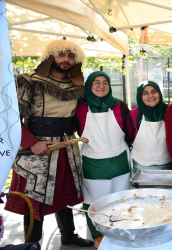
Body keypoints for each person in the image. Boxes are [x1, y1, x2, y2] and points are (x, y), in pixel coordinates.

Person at [5, 39, 93, 247]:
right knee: (35, 195)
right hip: (36, 149)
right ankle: (31, 242)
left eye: (71, 56)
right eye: (61, 54)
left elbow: (78, 117)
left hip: (66, 147)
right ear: (50, 56)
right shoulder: (29, 81)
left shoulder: (76, 87)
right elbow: (11, 117)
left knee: (64, 191)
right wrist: (31, 142)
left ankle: (68, 235)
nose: (66, 59)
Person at [74, 71, 133, 248]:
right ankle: (97, 235)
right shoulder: (80, 108)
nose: (101, 86)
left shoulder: (120, 106)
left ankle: (122, 231)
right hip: (92, 160)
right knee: (93, 200)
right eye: (96, 82)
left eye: (105, 82)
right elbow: (75, 129)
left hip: (119, 160)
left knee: (121, 199)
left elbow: (129, 132)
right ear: (89, 86)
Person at [129, 81, 172, 174]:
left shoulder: (170, 112)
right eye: (145, 93)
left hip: (167, 165)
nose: (150, 95)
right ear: (140, 96)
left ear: (159, 94)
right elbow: (128, 138)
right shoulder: (133, 115)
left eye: (154, 91)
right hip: (140, 166)